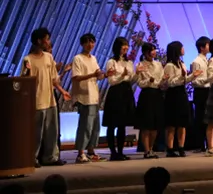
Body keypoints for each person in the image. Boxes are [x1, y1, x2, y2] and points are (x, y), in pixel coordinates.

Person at [22, 27, 70, 167]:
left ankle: (51, 157)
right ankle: (33, 158)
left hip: (50, 99)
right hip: (36, 100)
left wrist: (62, 91)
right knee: (36, 133)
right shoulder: (28, 59)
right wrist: (27, 72)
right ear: (39, 40)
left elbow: (54, 79)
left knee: (52, 131)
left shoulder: (49, 57)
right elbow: (24, 80)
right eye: (47, 39)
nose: (49, 42)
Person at [71, 33, 104, 163]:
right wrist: (92, 75)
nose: (90, 45)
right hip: (84, 97)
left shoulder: (93, 58)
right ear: (82, 44)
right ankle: (80, 153)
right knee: (85, 125)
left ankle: (91, 151)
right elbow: (75, 77)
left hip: (94, 96)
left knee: (95, 126)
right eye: (87, 42)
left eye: (92, 42)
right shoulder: (77, 59)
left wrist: (105, 75)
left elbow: (98, 75)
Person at [102, 36, 135, 161]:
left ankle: (120, 152)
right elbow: (111, 81)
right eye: (123, 45)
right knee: (112, 124)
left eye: (127, 45)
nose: (126, 47)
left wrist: (137, 74)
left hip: (126, 92)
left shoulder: (129, 62)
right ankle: (113, 152)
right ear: (117, 47)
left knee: (122, 124)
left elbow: (131, 78)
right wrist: (122, 75)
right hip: (116, 92)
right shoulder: (111, 62)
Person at [162, 41, 194, 158]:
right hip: (173, 95)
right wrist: (182, 78)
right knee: (172, 124)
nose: (183, 49)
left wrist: (192, 76)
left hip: (182, 93)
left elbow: (184, 80)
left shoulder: (181, 63)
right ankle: (170, 148)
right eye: (182, 47)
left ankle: (181, 147)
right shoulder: (170, 65)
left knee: (182, 123)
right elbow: (170, 82)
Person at [134, 42, 165, 159]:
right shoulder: (140, 65)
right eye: (151, 50)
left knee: (155, 125)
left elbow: (161, 80)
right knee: (146, 125)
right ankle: (146, 150)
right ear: (145, 52)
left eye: (154, 50)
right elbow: (139, 83)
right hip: (146, 95)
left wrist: (163, 81)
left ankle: (151, 148)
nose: (154, 52)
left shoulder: (158, 64)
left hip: (157, 94)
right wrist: (149, 82)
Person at [188, 37, 211, 153]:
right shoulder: (196, 61)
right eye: (208, 45)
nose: (209, 46)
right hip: (201, 92)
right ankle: (201, 144)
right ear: (202, 47)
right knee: (201, 118)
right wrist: (208, 80)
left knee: (208, 118)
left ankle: (209, 143)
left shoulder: (208, 60)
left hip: (208, 91)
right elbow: (194, 81)